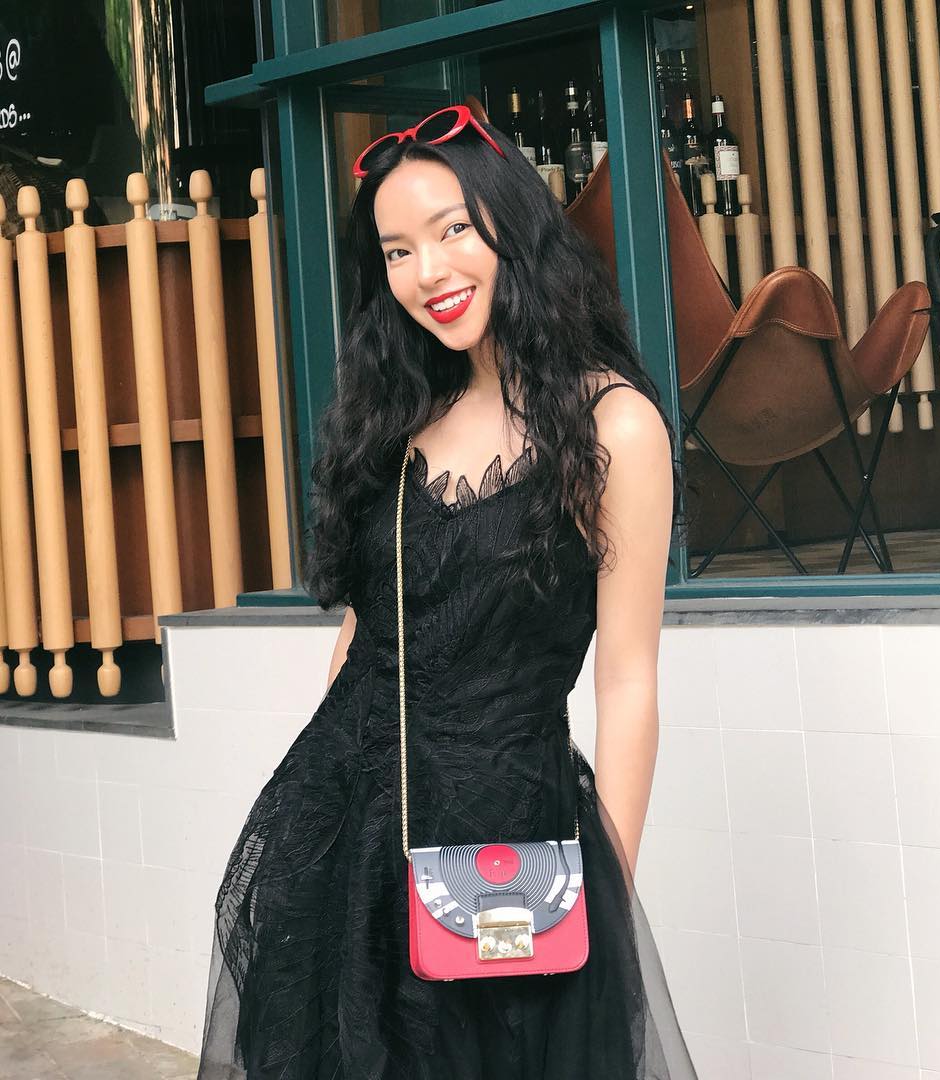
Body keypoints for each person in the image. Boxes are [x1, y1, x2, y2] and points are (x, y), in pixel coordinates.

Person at [196, 103, 697, 1079]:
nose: (428, 271)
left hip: (507, 835)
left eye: (453, 230)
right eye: (397, 250)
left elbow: (628, 681)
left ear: (515, 226)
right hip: (347, 833)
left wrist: (607, 896)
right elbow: (361, 637)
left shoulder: (614, 427)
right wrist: (322, 814)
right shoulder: (400, 419)